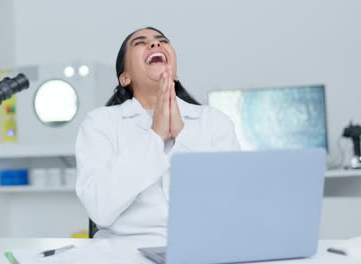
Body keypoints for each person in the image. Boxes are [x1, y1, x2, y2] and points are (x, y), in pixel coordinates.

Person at [75, 27, 240, 241]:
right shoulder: (100, 123)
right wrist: (155, 136)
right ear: (125, 78)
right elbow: (99, 208)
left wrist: (181, 132)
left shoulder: (214, 121)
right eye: (140, 42)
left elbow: (231, 203)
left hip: (202, 246)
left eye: (161, 40)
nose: (155, 44)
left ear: (176, 72)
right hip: (123, 252)